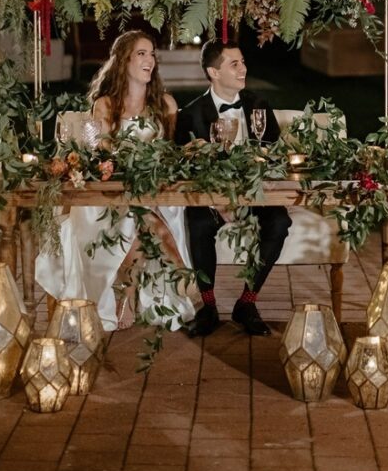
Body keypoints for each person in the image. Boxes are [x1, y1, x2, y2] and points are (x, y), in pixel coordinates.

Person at [35, 30, 195, 331]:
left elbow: (171, 154)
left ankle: (126, 291)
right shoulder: (106, 106)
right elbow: (105, 159)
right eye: (142, 54)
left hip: (153, 192)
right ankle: (184, 282)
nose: (151, 60)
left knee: (146, 217)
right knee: (143, 221)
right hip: (113, 194)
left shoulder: (166, 104)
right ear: (124, 61)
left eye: (152, 54)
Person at [175, 39, 291, 337]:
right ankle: (209, 306)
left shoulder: (259, 106)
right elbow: (185, 170)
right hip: (212, 199)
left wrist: (249, 196)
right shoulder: (191, 114)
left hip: (256, 197)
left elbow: (275, 157)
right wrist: (217, 201)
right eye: (234, 64)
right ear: (214, 72)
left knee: (279, 220)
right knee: (197, 220)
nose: (244, 69)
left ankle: (247, 302)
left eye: (243, 62)